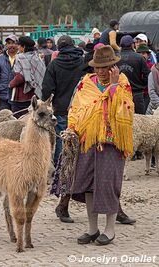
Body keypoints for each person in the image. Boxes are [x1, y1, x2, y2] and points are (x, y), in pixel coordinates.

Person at [67, 45, 134, 245]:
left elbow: (126, 112)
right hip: (87, 140)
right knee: (88, 184)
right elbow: (76, 108)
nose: (100, 71)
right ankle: (92, 228)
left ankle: (110, 229)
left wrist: (113, 88)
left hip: (111, 143)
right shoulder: (86, 84)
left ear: (113, 67)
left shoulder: (122, 84)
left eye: (104, 68)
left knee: (108, 184)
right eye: (97, 67)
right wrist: (72, 128)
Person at [42, 35, 85, 223]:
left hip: (61, 110)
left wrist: (50, 100)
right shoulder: (83, 62)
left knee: (62, 146)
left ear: (59, 47)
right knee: (81, 148)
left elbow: (46, 89)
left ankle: (61, 179)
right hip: (82, 110)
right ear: (74, 46)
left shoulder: (55, 64)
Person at [9, 36, 46, 118]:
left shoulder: (20, 58)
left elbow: (21, 77)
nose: (18, 47)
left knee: (19, 121)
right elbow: (41, 74)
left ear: (24, 47)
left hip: (21, 96)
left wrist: (10, 84)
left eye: (19, 45)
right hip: (34, 95)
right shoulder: (37, 57)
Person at [117, 35, 150, 115]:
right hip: (137, 94)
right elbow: (148, 75)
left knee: (122, 121)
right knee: (140, 122)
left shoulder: (115, 58)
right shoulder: (139, 57)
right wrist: (141, 84)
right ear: (132, 45)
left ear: (121, 45)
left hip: (120, 95)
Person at [0, 34, 18, 111]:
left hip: (17, 96)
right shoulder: (0, 58)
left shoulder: (21, 57)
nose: (11, 45)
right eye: (9, 43)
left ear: (17, 44)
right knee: (4, 119)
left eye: (13, 43)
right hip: (3, 95)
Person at [136, 44, 153, 111]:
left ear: (148, 55)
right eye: (139, 53)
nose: (141, 55)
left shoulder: (151, 66)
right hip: (137, 94)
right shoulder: (135, 65)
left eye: (143, 53)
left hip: (147, 95)